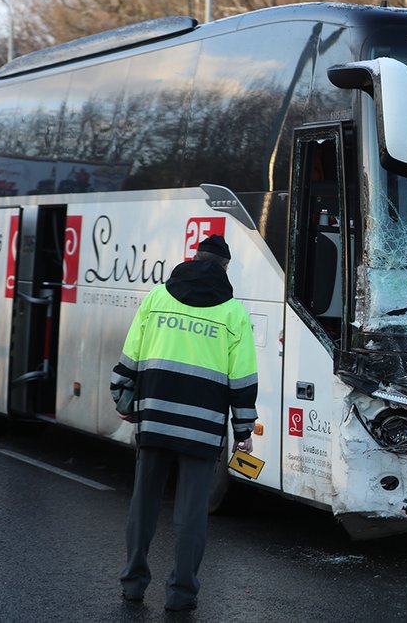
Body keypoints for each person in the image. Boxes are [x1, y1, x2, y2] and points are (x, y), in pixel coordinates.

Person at [110, 234, 258, 611]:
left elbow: (130, 357)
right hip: (202, 427)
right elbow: (242, 381)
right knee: (190, 513)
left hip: (155, 419)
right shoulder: (233, 312)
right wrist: (243, 432)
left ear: (193, 258)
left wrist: (123, 398)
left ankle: (133, 584)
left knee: (143, 504)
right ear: (224, 267)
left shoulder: (158, 296)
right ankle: (180, 594)